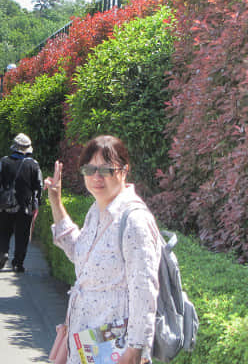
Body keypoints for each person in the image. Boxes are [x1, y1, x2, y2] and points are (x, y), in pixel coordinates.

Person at [44, 135, 162, 364]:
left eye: (107, 170)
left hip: (115, 347)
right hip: (87, 342)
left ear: (124, 170)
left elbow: (144, 291)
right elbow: (80, 254)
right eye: (90, 169)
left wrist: (135, 349)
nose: (96, 177)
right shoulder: (96, 211)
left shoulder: (134, 220)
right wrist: (56, 202)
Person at [0, 133, 43, 273]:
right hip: (25, 206)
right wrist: (37, 203)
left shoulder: (4, 161)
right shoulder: (33, 164)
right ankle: (18, 263)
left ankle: (3, 252)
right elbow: (38, 187)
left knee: (4, 231)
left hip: (6, 205)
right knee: (22, 236)